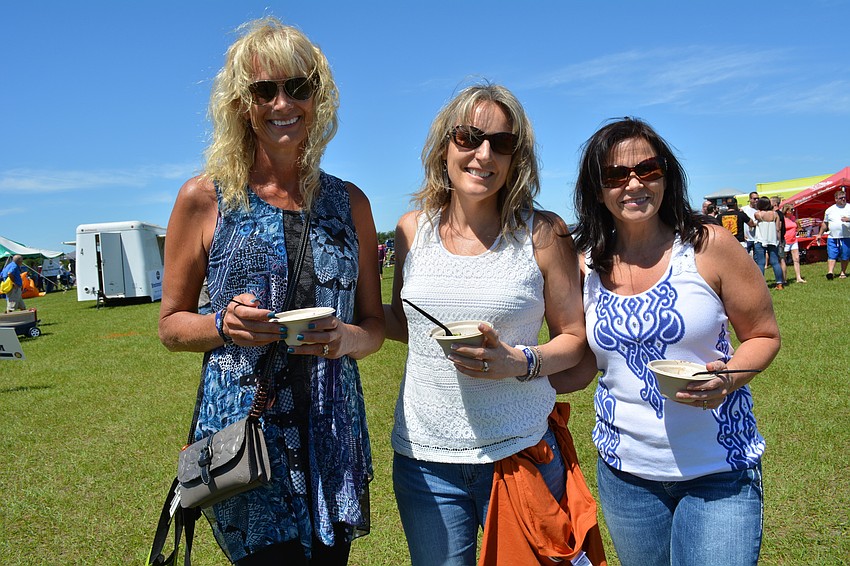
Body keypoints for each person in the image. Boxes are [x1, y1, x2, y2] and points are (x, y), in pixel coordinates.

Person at [157, 17, 384, 565]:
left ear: (318, 97)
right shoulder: (204, 198)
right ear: (242, 102)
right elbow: (170, 324)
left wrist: (346, 337)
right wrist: (221, 325)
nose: (284, 103)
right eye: (265, 89)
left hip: (331, 431)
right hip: (246, 438)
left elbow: (376, 326)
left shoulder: (349, 203)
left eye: (298, 87)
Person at [383, 84, 599, 565]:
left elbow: (575, 339)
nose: (484, 154)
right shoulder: (410, 230)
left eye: (502, 143)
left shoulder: (543, 232)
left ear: (516, 158)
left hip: (521, 452)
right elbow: (405, 321)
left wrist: (517, 362)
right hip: (425, 462)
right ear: (444, 147)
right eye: (469, 137)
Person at [551, 117, 780, 566]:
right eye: (616, 175)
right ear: (597, 190)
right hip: (626, 476)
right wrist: (515, 369)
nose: (634, 183)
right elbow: (582, 367)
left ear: (666, 176)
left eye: (648, 169)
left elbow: (764, 335)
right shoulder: (585, 267)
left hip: (719, 470)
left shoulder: (708, 245)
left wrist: (728, 379)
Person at [815, 188, 850, 279]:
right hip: (832, 237)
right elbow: (825, 223)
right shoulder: (830, 210)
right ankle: (830, 272)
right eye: (841, 198)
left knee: (845, 255)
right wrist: (820, 234)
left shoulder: (849, 207)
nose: (843, 199)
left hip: (847, 236)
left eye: (844, 197)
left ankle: (843, 272)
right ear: (835, 199)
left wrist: (848, 220)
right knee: (832, 255)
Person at [752, 196, 785, 290]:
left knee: (761, 263)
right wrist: (779, 240)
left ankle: (760, 284)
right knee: (775, 262)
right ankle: (779, 283)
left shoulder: (758, 214)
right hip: (773, 240)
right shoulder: (775, 214)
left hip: (760, 240)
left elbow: (755, 222)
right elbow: (778, 229)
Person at [780, 204, 806, 283]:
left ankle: (798, 277)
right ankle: (783, 278)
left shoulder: (793, 218)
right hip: (785, 240)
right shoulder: (782, 219)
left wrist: (799, 227)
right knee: (783, 259)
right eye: (792, 210)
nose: (793, 211)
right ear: (787, 211)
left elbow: (798, 228)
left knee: (796, 259)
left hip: (794, 240)